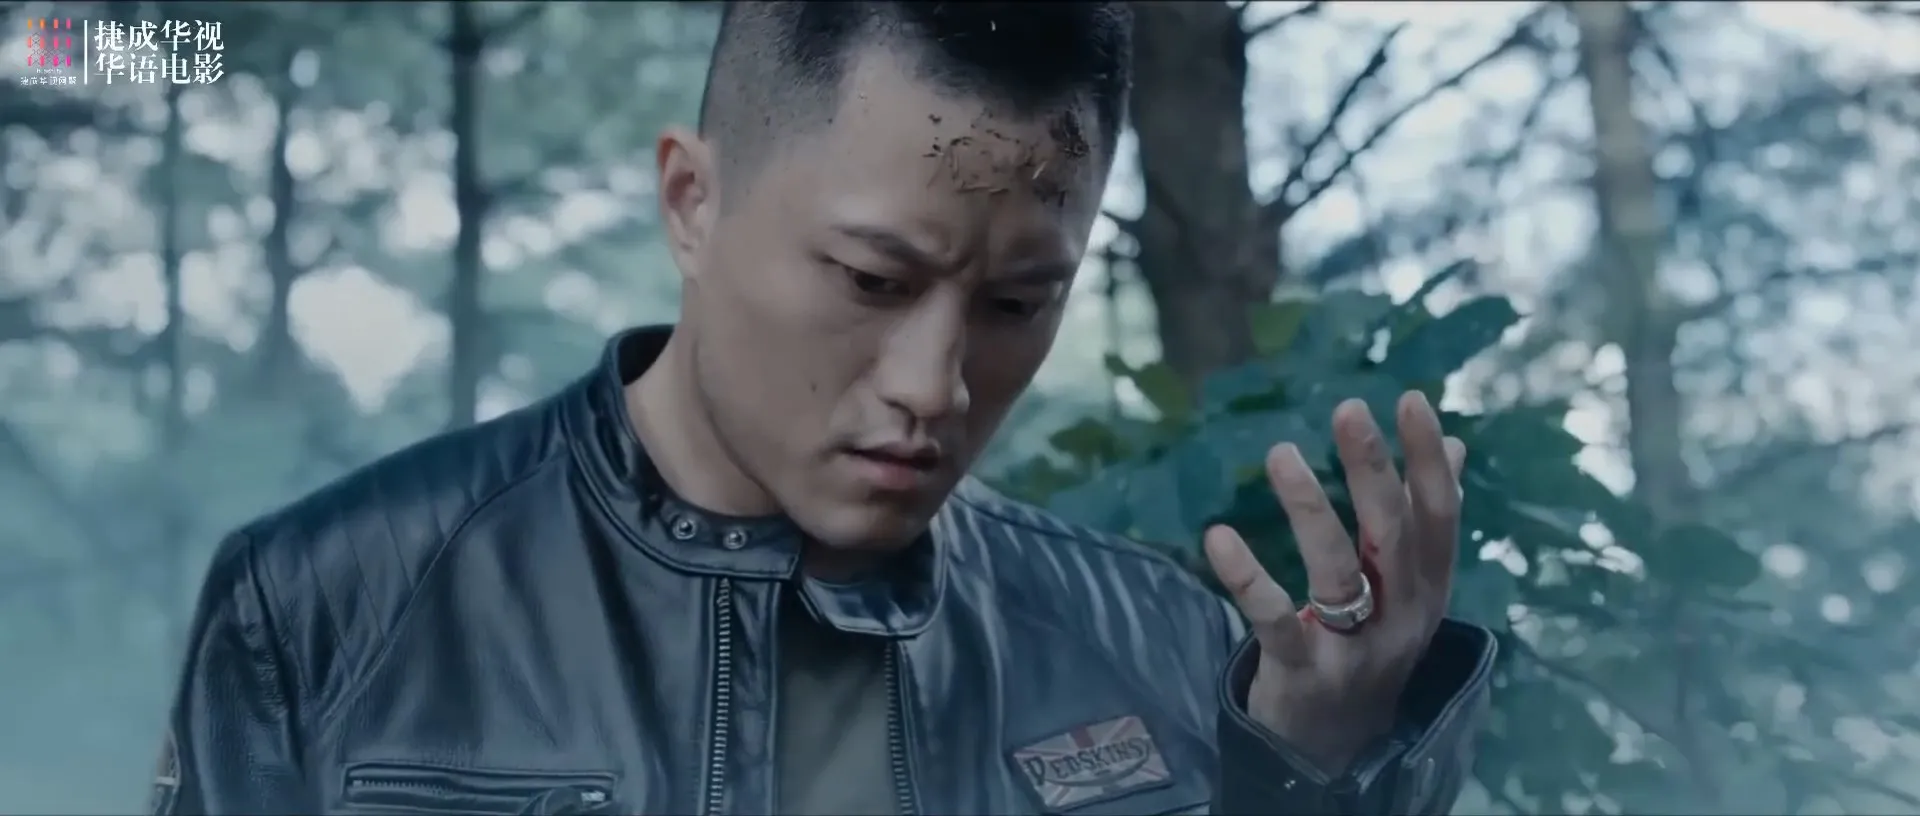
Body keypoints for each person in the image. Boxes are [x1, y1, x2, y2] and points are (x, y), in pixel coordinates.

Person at [153, 3, 1496, 815]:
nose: (934, 383)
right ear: (693, 203)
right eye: (872, 279)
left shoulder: (1158, 646)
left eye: (1017, 301)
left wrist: (1317, 773)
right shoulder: (326, 607)